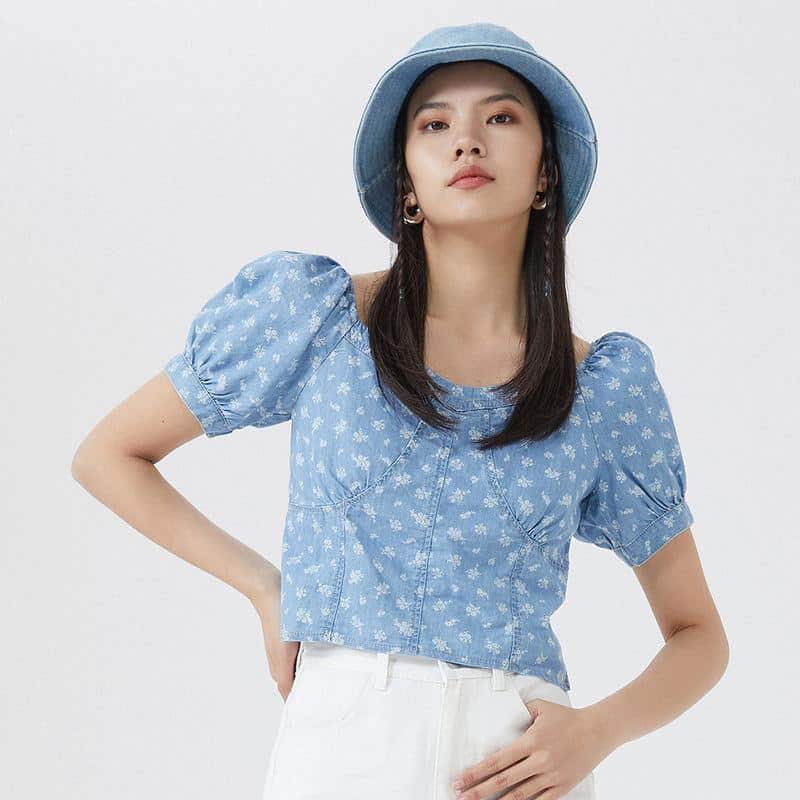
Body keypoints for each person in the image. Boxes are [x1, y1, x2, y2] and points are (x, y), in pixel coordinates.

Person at [71, 22, 729, 800]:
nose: (467, 141)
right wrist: (264, 587)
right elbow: (109, 455)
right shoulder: (317, 318)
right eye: (434, 125)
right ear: (407, 186)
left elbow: (700, 637)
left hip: (519, 758)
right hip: (343, 749)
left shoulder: (600, 387)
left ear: (545, 174)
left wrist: (596, 732)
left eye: (501, 116)